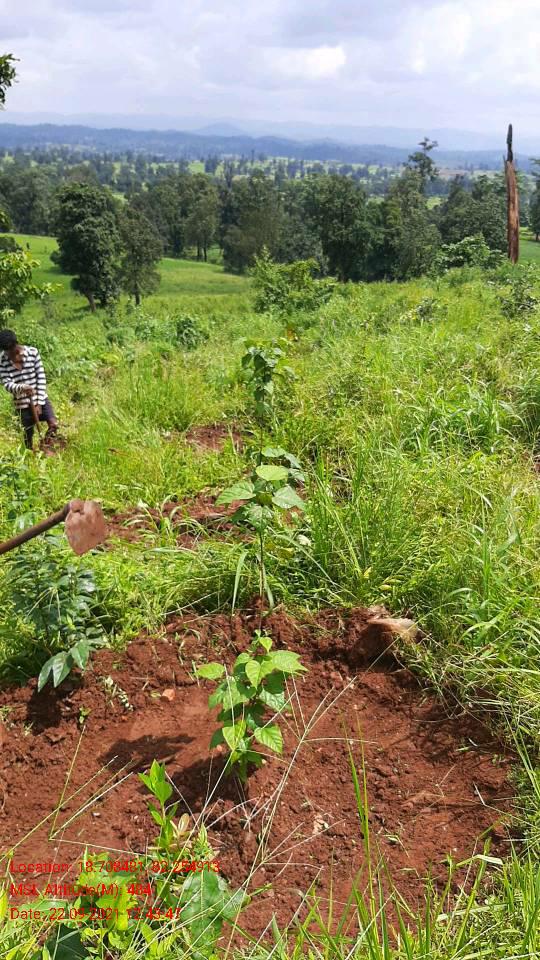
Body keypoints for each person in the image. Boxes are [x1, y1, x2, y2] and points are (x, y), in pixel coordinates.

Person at [0, 329, 58, 449]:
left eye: (11, 351)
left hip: (40, 398)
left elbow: (41, 378)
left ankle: (47, 445)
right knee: (28, 436)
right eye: (6, 352)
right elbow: (7, 384)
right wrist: (22, 387)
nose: (9, 355)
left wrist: (39, 403)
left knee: (53, 424)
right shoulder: (2, 360)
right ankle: (31, 454)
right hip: (21, 404)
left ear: (16, 345)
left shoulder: (33, 353)